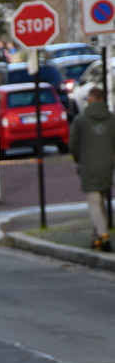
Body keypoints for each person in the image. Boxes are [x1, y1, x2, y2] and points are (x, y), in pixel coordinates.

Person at [70, 86, 115, 252]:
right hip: (107, 165)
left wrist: (79, 159)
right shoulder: (112, 119)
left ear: (89, 99)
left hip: (88, 164)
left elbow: (73, 145)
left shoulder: (81, 120)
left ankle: (103, 235)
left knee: (94, 202)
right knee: (100, 199)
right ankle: (96, 237)